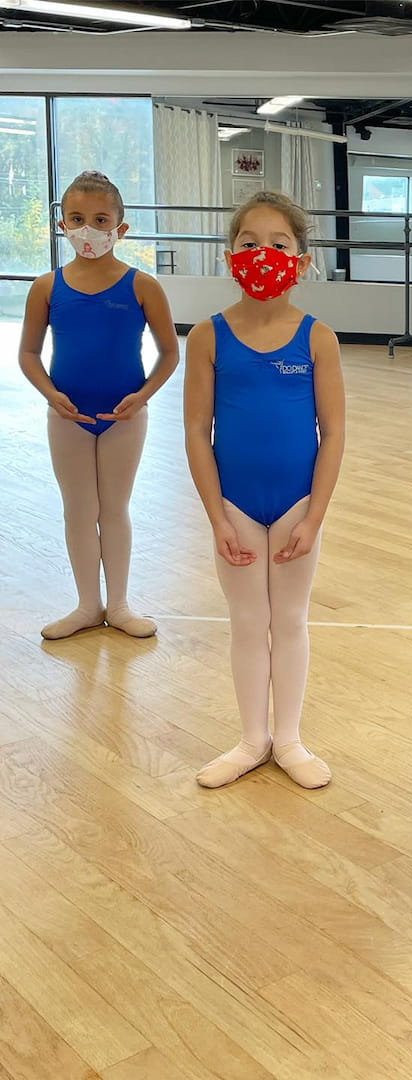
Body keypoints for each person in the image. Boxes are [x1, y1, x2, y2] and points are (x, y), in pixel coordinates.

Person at [184, 191, 345, 789]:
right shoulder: (208, 336)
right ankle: (253, 738)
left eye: (278, 245)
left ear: (300, 261)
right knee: (249, 623)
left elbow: (333, 435)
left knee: (291, 619)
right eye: (250, 244)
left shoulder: (317, 338)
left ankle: (291, 738)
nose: (263, 255)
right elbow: (198, 434)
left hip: (298, 504)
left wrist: (315, 517)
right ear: (231, 255)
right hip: (236, 506)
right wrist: (218, 520)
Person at [18, 170, 179, 640]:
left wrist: (141, 397)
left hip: (123, 416)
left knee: (114, 508)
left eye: (99, 219)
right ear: (63, 224)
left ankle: (121, 603)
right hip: (67, 416)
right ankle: (88, 604)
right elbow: (28, 353)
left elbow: (170, 352)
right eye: (77, 217)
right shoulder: (47, 287)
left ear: (120, 228)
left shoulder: (142, 286)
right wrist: (52, 396)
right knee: (77, 509)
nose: (87, 228)